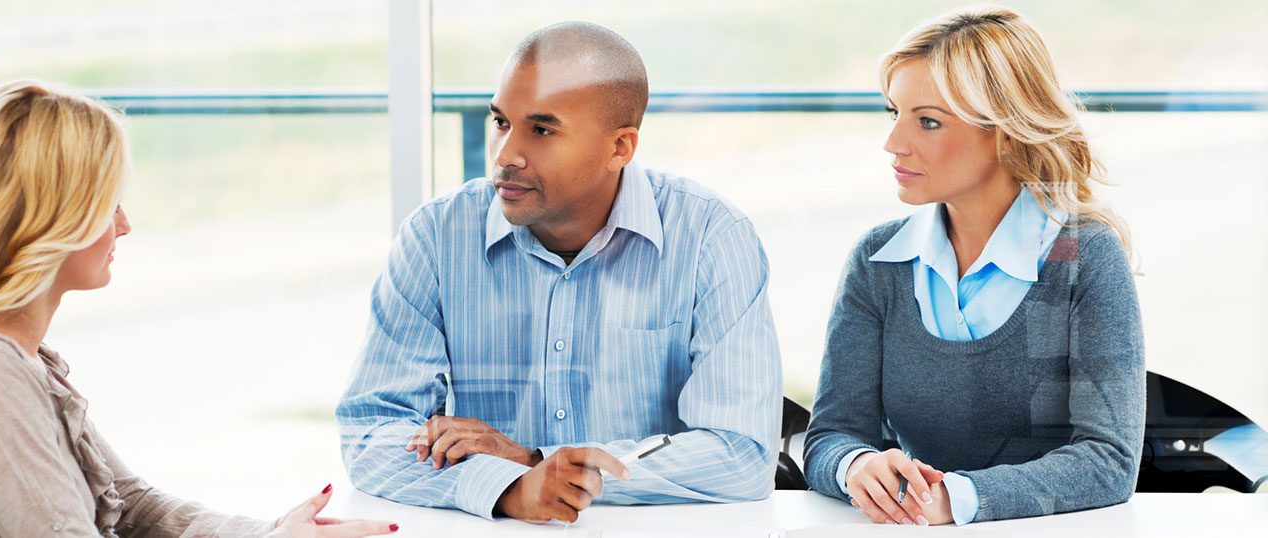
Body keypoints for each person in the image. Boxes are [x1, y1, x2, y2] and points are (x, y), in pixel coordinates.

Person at [0, 80, 397, 538]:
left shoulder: (17, 357)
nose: (125, 224)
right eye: (109, 202)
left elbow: (132, 505)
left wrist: (269, 534)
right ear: (57, 217)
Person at [335, 21, 783, 524]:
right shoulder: (436, 236)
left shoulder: (711, 238)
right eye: (501, 122)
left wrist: (533, 462)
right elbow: (372, 429)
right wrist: (507, 489)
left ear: (620, 148)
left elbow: (741, 456)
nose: (505, 155)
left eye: (542, 130)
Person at [803, 5, 1145, 526]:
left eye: (929, 122)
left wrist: (954, 500)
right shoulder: (877, 261)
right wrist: (858, 465)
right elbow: (830, 435)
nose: (893, 143)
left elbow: (1108, 462)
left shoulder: (1084, 257)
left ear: (1006, 133)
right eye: (893, 113)